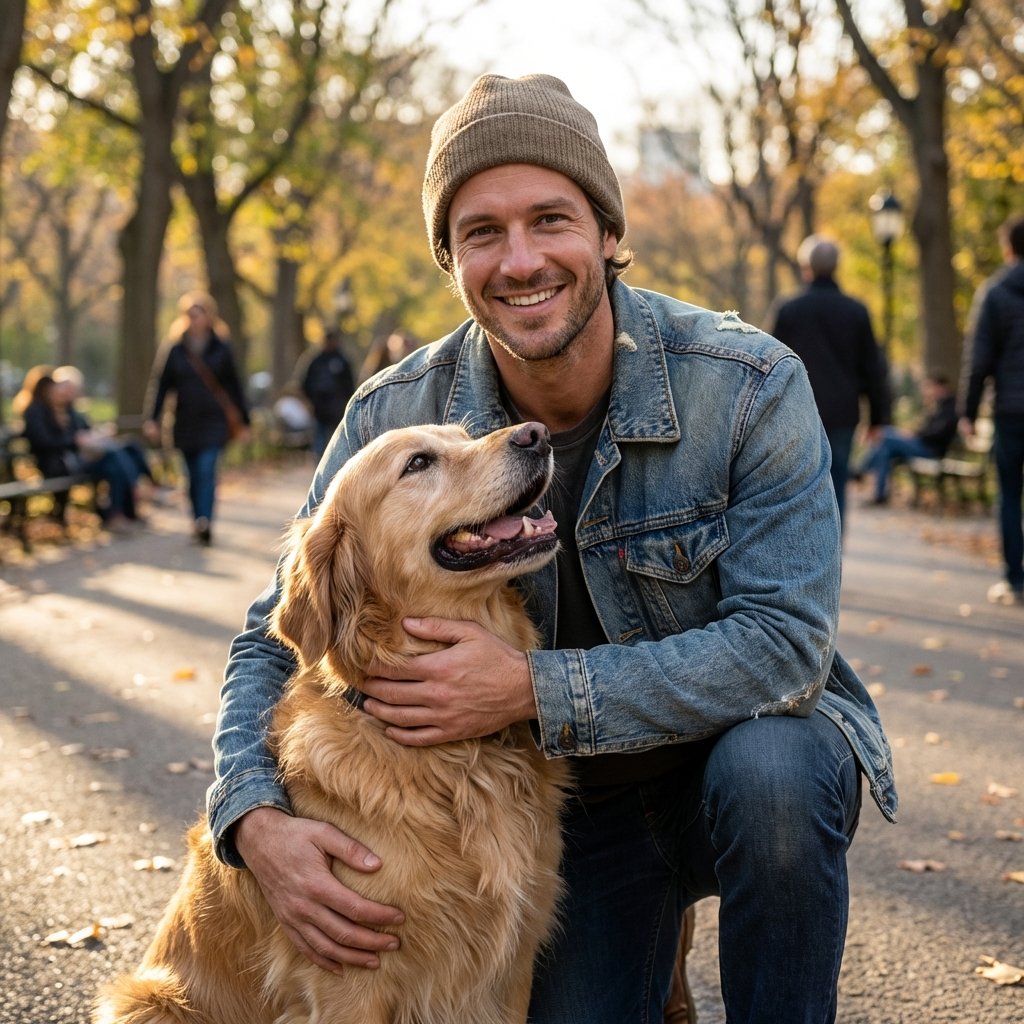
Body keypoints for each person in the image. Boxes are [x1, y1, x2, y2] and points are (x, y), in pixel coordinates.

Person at [208, 74, 897, 1023]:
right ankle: (645, 963)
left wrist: (534, 690)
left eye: (551, 219)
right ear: (449, 259)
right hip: (557, 816)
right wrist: (251, 819)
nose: (521, 259)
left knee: (779, 772)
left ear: (608, 233)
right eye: (482, 232)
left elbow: (786, 645)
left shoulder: (747, 386)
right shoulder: (393, 414)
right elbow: (273, 635)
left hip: (711, 776)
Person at [770, 235, 891, 525]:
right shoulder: (856, 311)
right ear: (837, 267)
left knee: (796, 485)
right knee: (837, 487)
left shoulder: (789, 310)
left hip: (797, 411)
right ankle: (833, 557)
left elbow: (770, 364)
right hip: (842, 413)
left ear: (805, 267)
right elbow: (873, 369)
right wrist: (877, 418)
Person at [143, 291, 250, 546]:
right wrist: (153, 418)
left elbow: (235, 387)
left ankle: (206, 521)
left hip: (214, 422)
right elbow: (161, 385)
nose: (193, 319)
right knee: (190, 476)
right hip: (184, 422)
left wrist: (245, 422)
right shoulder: (175, 349)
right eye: (189, 314)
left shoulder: (221, 348)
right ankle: (196, 519)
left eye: (198, 313)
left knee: (206, 471)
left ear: (208, 316)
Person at [958, 214, 1024, 606]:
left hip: (1012, 410)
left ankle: (1015, 581)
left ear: (1008, 248)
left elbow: (979, 358)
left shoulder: (996, 292)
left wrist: (966, 411)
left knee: (1010, 494)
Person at [20, 370, 142, 531]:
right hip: (58, 464)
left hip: (74, 459)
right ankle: (127, 503)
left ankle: (120, 512)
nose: (58, 392)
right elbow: (45, 441)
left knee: (118, 457)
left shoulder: (65, 410)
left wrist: (95, 435)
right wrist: (75, 441)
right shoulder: (36, 412)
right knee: (114, 456)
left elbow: (84, 429)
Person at [855, 371, 958, 506]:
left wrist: (915, 435)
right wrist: (913, 433)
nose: (927, 392)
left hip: (930, 450)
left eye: (930, 387)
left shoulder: (950, 407)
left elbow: (938, 433)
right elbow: (927, 429)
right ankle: (880, 495)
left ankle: (860, 470)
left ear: (940, 387)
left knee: (886, 434)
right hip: (922, 445)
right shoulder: (938, 406)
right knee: (885, 450)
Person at [296, 327, 356, 459]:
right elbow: (304, 383)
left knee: (338, 440)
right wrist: (310, 402)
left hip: (337, 409)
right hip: (319, 409)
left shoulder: (343, 361)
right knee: (320, 441)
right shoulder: (315, 361)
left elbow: (349, 384)